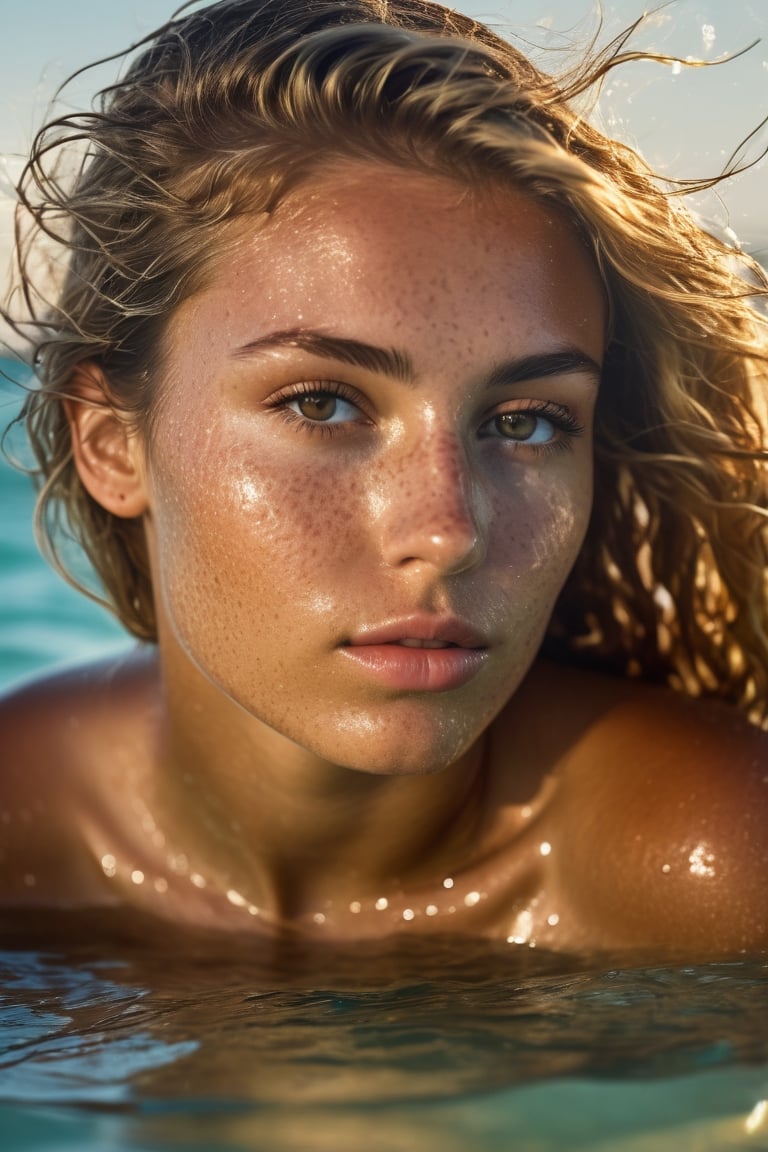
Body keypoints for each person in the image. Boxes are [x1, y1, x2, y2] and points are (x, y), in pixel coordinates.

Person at [1, 0, 766, 957]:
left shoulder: (719, 879)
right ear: (113, 441)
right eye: (323, 405)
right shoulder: (16, 840)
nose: (449, 529)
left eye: (525, 422)